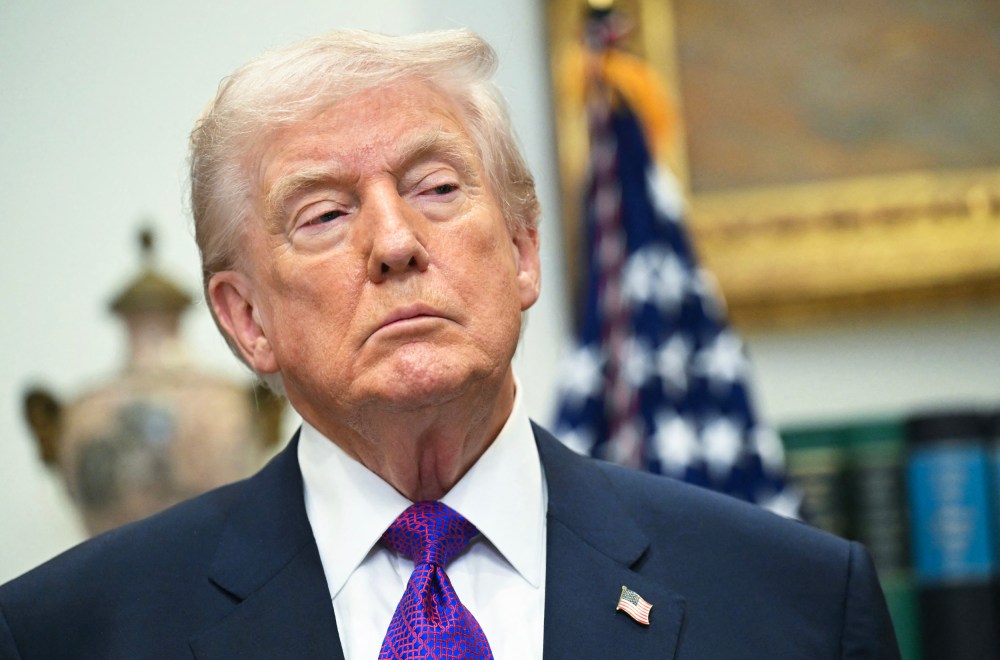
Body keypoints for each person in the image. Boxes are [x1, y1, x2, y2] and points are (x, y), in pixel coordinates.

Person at [0, 30, 900, 659]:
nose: (395, 243)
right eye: (324, 213)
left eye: (435, 188)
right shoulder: (68, 634)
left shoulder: (800, 603)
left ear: (521, 251)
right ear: (246, 320)